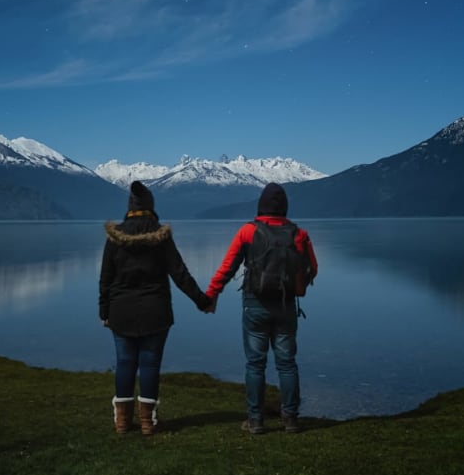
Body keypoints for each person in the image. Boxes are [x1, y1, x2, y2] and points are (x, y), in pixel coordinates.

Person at [99, 180, 212, 435]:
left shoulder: (115, 237)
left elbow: (105, 278)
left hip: (120, 310)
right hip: (156, 311)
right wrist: (202, 301)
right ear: (151, 206)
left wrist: (104, 311)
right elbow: (180, 273)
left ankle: (122, 422)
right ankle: (148, 423)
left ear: (129, 207)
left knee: (125, 363)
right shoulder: (161, 236)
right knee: (149, 364)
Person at [205, 182, 317, 434]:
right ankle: (290, 419)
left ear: (260, 205)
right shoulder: (299, 234)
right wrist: (299, 286)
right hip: (286, 305)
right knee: (287, 363)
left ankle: (255, 421)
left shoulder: (247, 231)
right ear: (285, 207)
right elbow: (313, 268)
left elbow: (227, 268)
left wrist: (211, 295)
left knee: (255, 364)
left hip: (254, 304)